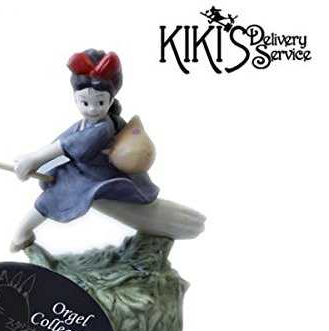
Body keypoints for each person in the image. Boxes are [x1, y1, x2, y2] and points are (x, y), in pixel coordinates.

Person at [11, 49, 205, 252]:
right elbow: (61, 142)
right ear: (75, 98)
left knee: (54, 197)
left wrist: (34, 160)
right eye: (85, 102)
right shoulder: (84, 124)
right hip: (81, 169)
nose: (92, 109)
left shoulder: (103, 128)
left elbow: (67, 146)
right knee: (54, 186)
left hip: (96, 175)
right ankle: (23, 234)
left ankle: (22, 234)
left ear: (111, 100)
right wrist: (34, 161)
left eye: (100, 102)